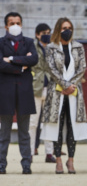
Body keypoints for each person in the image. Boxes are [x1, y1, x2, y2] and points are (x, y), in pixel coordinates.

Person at [41, 17, 87, 174]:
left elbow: (82, 68)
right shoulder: (51, 48)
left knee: (72, 126)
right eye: (63, 28)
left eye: (69, 28)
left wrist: (71, 85)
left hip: (74, 92)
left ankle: (71, 160)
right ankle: (59, 161)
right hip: (57, 92)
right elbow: (51, 69)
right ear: (57, 30)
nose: (66, 31)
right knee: (57, 126)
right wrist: (65, 85)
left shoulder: (78, 47)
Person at [0, 12, 38, 175]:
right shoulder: (0, 43)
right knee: (4, 133)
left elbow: (34, 60)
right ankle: (1, 164)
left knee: (24, 132)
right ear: (6, 26)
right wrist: (22, 65)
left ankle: (26, 164)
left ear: (21, 24)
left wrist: (12, 59)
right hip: (5, 92)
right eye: (11, 22)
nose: (15, 25)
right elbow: (0, 65)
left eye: (17, 22)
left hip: (24, 92)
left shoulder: (29, 42)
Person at [29, 23, 56, 163]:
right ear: (37, 34)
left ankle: (49, 153)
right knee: (33, 122)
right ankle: (30, 153)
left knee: (49, 122)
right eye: (44, 32)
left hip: (50, 87)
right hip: (35, 87)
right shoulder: (31, 47)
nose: (47, 35)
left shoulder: (53, 48)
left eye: (49, 32)